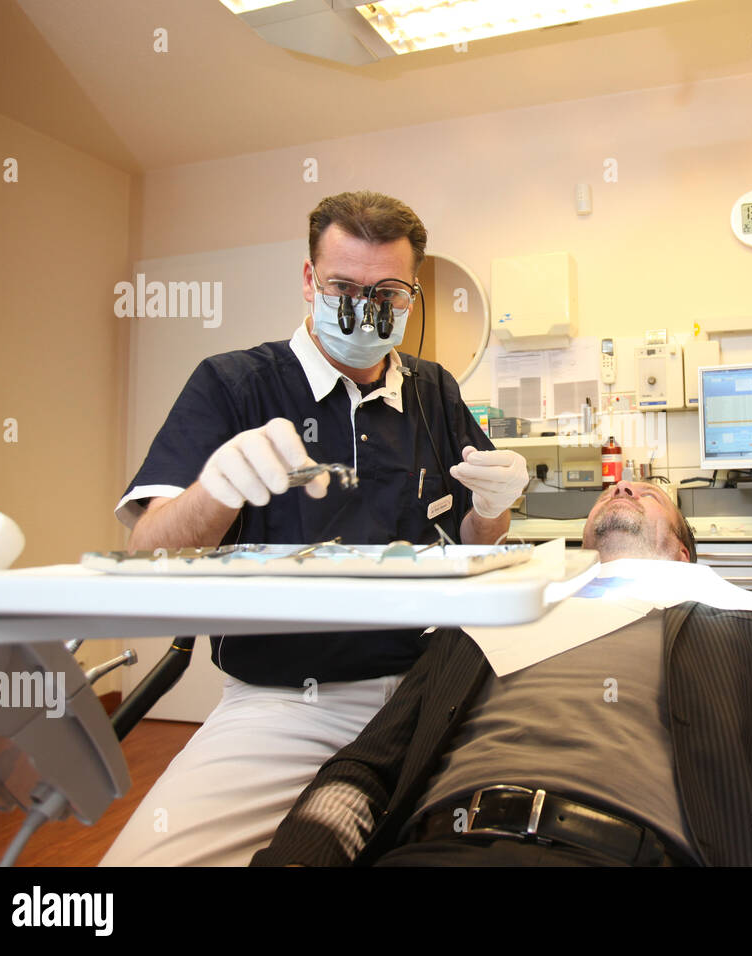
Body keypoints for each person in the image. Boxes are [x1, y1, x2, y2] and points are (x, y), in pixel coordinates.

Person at [101, 191, 530, 866]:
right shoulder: (234, 385)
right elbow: (148, 552)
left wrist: (491, 509)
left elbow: (479, 550)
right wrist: (215, 489)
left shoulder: (434, 392)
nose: (366, 307)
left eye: (387, 290)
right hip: (285, 707)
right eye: (343, 286)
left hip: (430, 695)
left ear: (412, 294)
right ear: (309, 281)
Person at [250, 480, 752, 867]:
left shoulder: (744, 621)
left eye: (647, 493)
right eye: (610, 491)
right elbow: (368, 767)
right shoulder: (494, 611)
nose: (620, 487)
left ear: (682, 550)